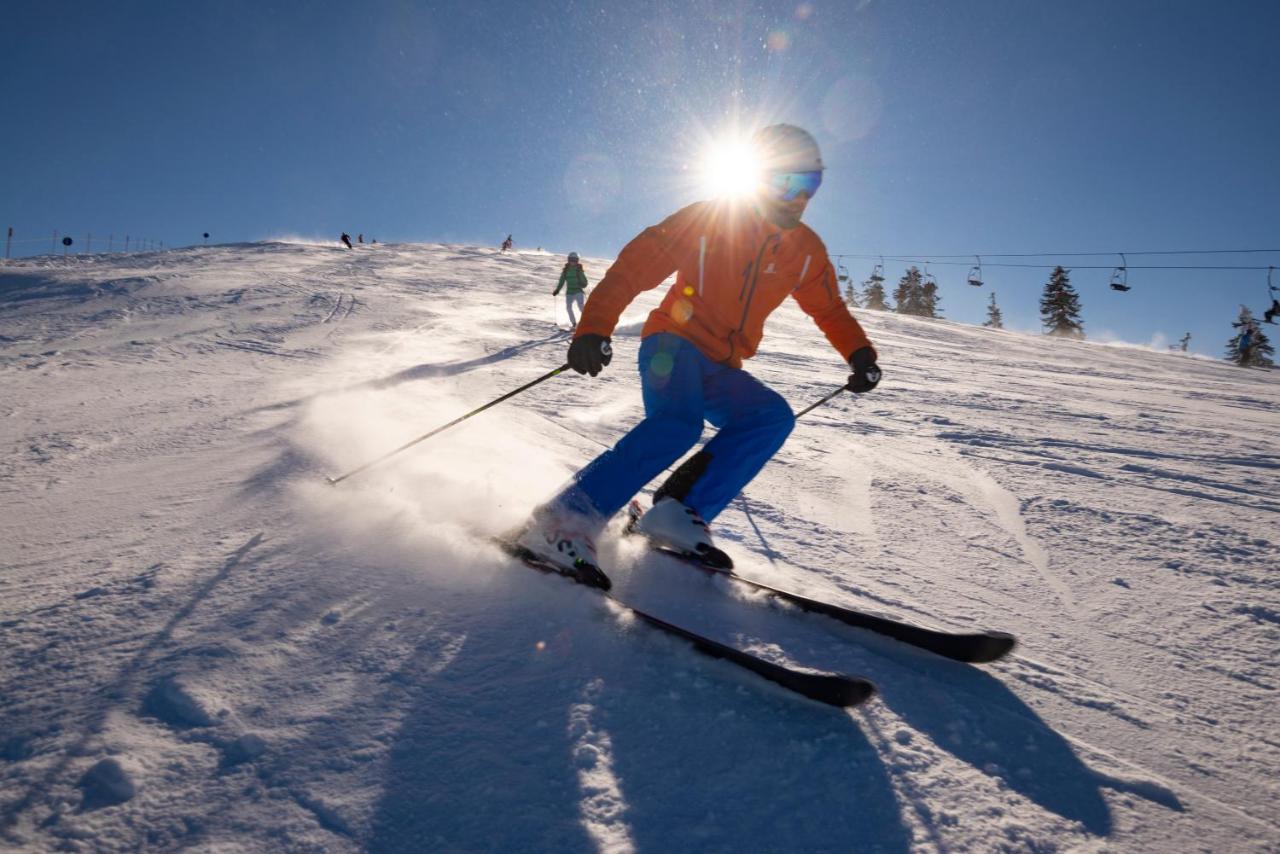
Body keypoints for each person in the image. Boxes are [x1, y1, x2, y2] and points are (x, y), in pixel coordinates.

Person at [515, 124, 880, 580]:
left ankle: (675, 514)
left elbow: (829, 309)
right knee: (677, 425)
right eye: (787, 180)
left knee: (770, 417)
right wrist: (593, 327)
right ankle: (561, 521)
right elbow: (634, 268)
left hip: (723, 365)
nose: (798, 196)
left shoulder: (805, 251)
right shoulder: (712, 217)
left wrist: (859, 353)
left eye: (810, 183)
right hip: (672, 343)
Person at [553, 252, 589, 329]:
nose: (573, 262)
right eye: (571, 260)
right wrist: (557, 290)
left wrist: (583, 284)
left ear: (577, 261)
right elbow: (561, 281)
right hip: (569, 292)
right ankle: (574, 324)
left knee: (581, 306)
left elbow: (585, 281)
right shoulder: (565, 271)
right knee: (568, 308)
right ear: (568, 260)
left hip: (578, 291)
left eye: (574, 260)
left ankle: (586, 322)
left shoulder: (579, 270)